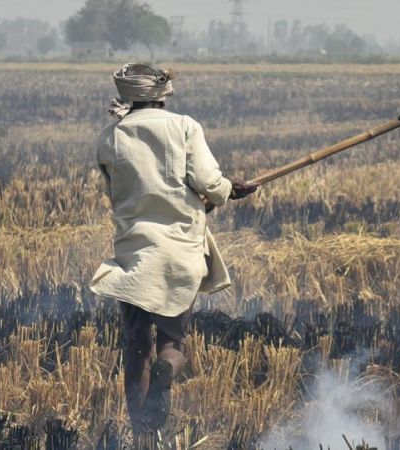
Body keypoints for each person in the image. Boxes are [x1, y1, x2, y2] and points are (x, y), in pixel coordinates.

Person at [90, 63, 258, 432]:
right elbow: (209, 182)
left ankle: (140, 428)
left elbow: (118, 196)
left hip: (134, 256)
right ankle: (166, 372)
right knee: (172, 343)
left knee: (136, 345)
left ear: (126, 96)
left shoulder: (109, 138)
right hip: (180, 255)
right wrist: (228, 190)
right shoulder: (185, 127)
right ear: (163, 95)